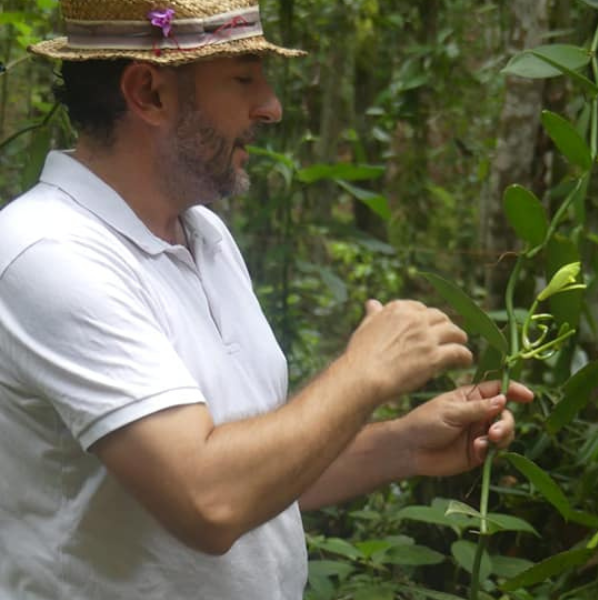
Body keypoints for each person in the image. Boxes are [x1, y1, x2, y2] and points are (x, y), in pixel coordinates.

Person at [0, 1, 534, 598]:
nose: (272, 107)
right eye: (244, 77)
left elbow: (256, 475)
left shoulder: (205, 235)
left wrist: (402, 442)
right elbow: (209, 499)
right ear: (149, 93)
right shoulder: (47, 254)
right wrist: (365, 374)